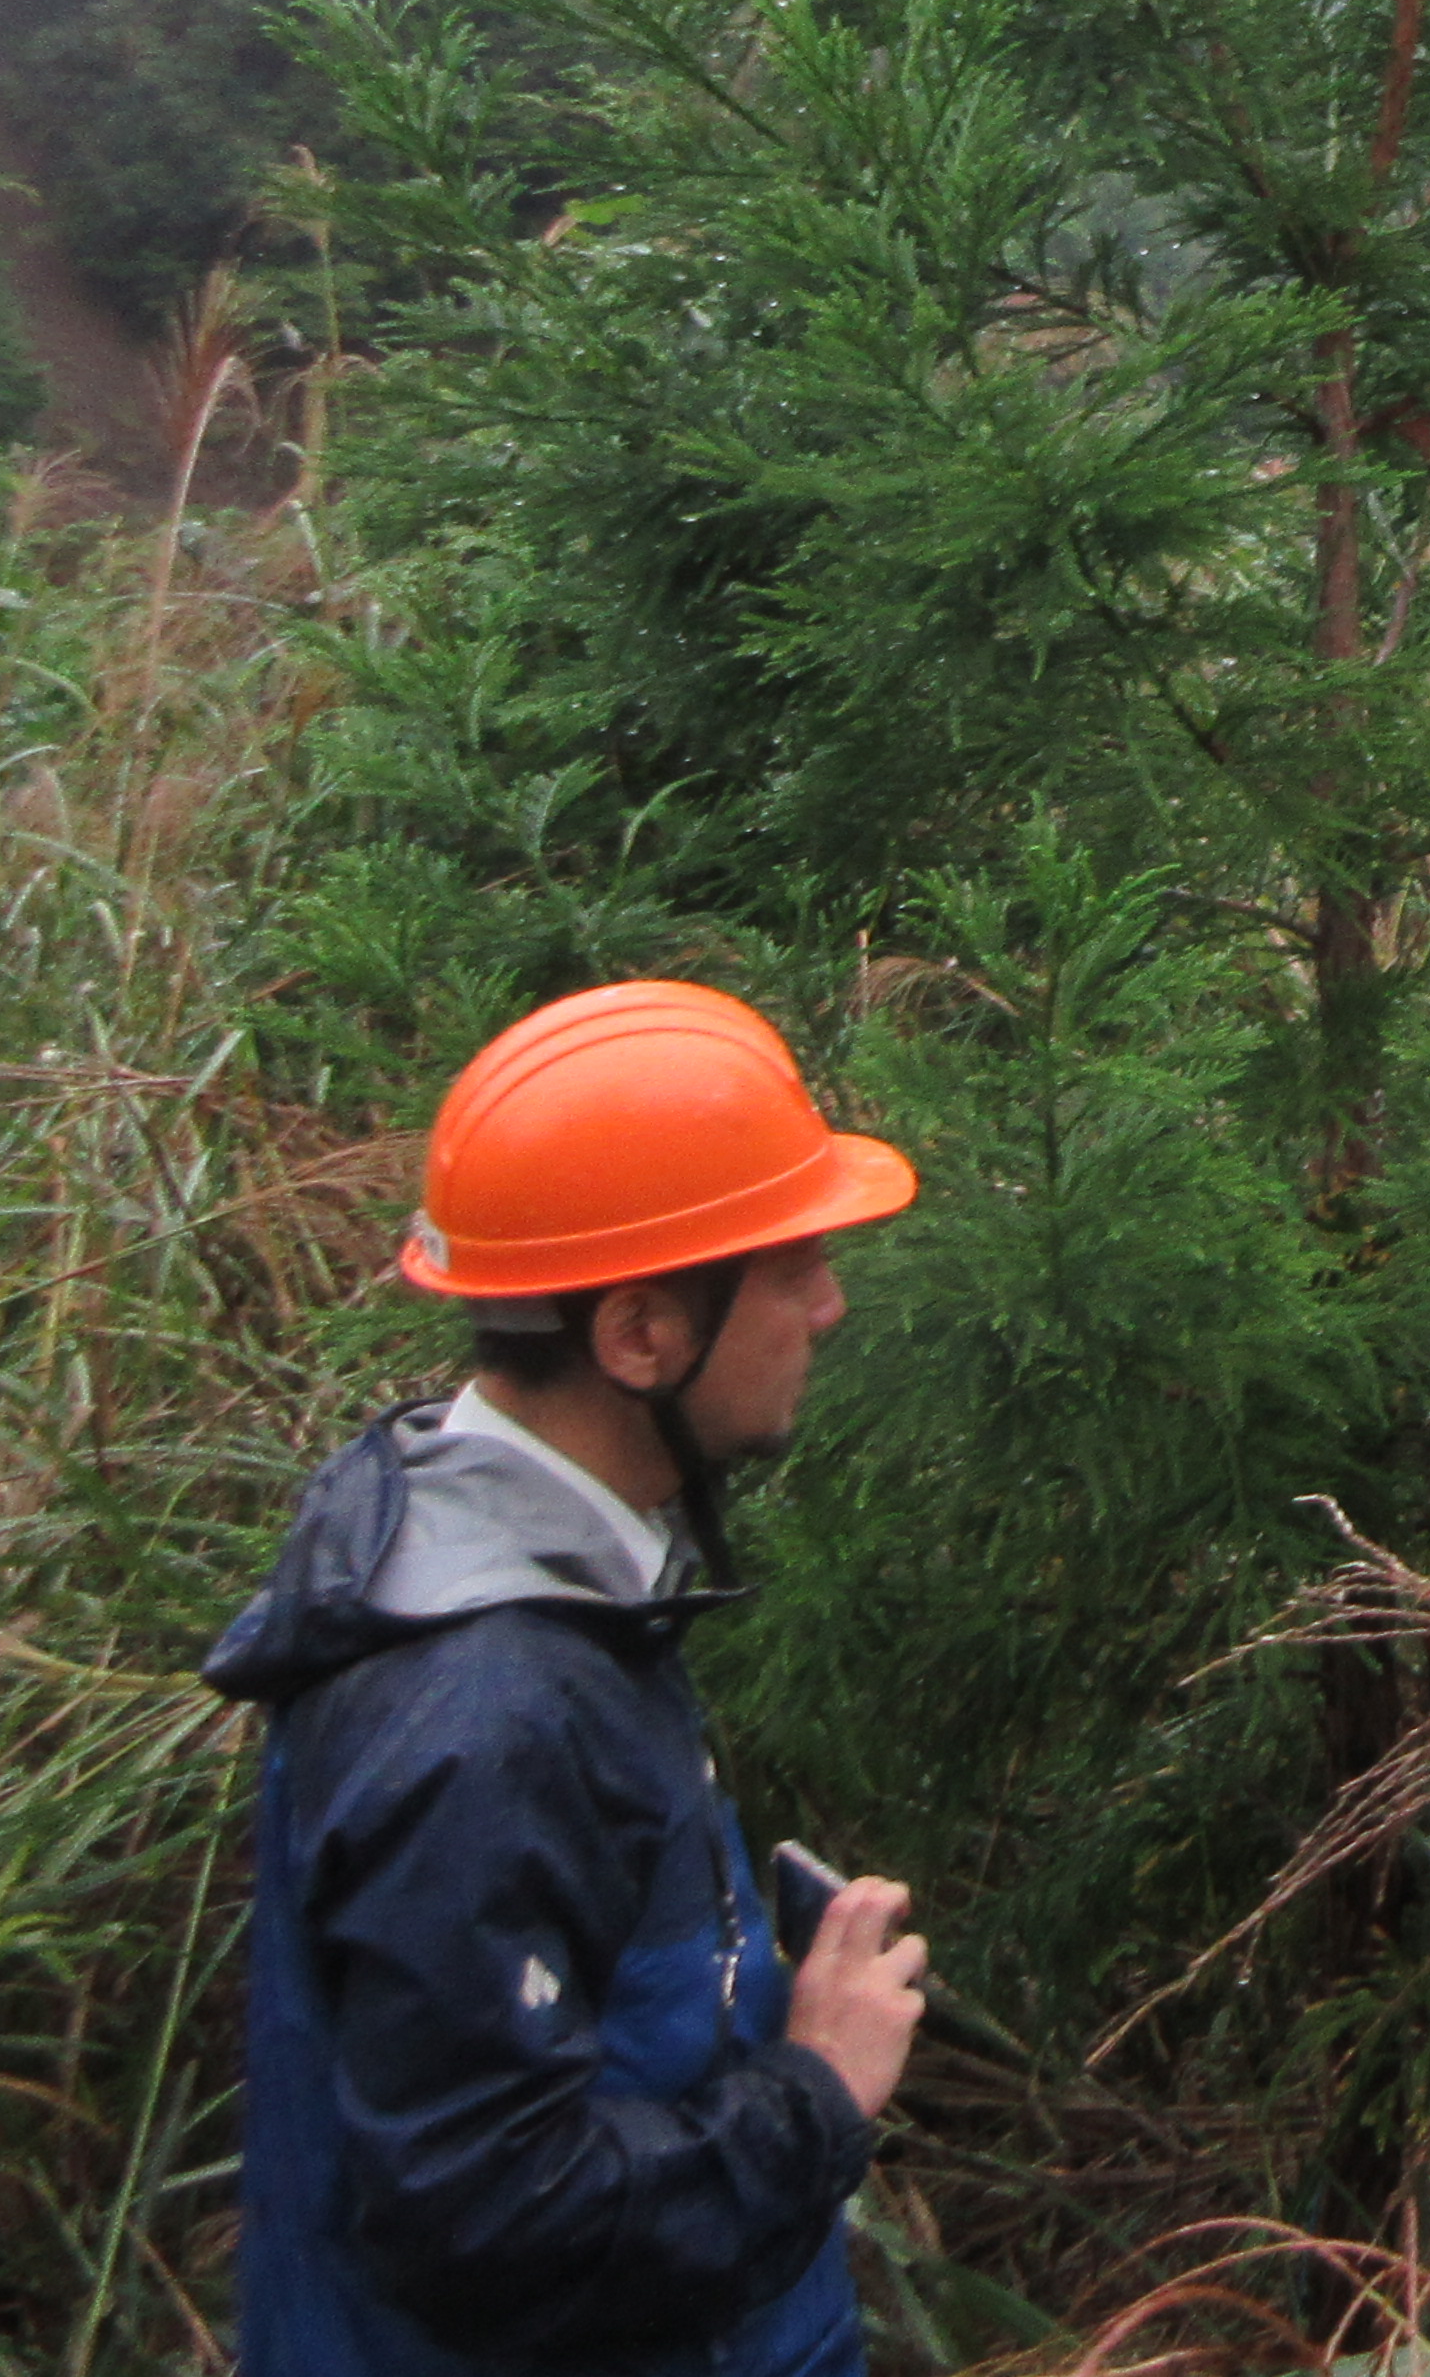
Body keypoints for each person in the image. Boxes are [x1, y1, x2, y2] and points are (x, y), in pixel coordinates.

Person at [207, 982, 933, 2377]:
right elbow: (492, 2227)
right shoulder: (487, 1715)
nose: (830, 1308)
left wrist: (746, 1990)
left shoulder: (534, 1580)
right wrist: (816, 2088)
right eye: (793, 1268)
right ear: (640, 1336)